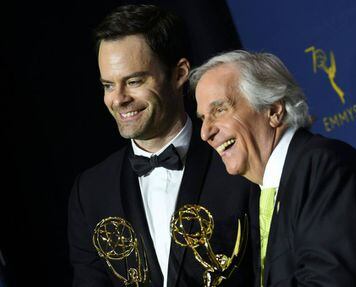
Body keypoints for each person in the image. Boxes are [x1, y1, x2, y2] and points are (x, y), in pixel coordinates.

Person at [191, 50, 356, 287]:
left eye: (220, 110)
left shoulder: (325, 167)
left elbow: (328, 282)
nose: (205, 132)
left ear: (274, 111)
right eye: (202, 118)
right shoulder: (262, 192)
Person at [67, 5, 255, 287]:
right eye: (108, 85)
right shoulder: (90, 192)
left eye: (133, 81)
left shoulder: (236, 159)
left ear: (180, 74)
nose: (118, 99)